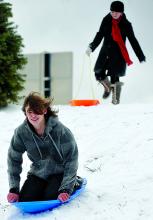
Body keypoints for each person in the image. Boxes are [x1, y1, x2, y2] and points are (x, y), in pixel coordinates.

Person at [7, 92, 82, 203]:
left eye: (37, 111)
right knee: (25, 200)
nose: (33, 115)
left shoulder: (61, 131)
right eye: (29, 111)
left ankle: (74, 182)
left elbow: (72, 159)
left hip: (59, 173)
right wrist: (14, 189)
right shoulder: (21, 133)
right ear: (25, 113)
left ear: (45, 111)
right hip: (38, 173)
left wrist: (66, 188)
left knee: (50, 197)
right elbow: (13, 159)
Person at [86, 1, 146, 104]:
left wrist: (140, 55)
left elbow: (133, 40)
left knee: (114, 75)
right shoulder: (106, 20)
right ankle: (108, 88)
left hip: (118, 52)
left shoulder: (126, 24)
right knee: (98, 72)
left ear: (121, 13)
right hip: (105, 51)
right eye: (112, 11)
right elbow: (100, 34)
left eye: (116, 12)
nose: (114, 14)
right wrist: (92, 46)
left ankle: (115, 101)